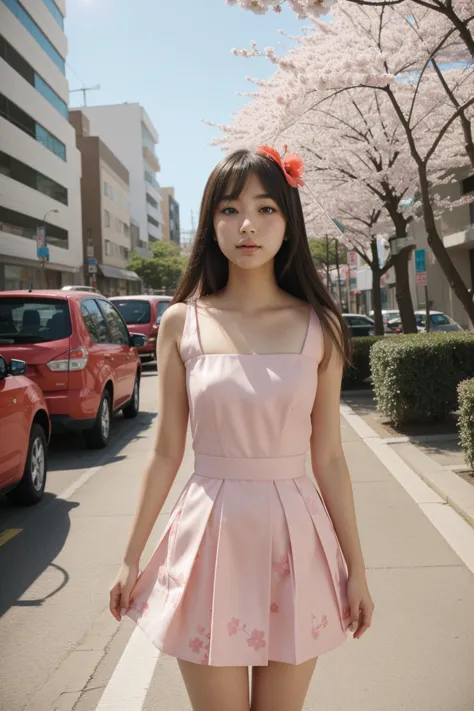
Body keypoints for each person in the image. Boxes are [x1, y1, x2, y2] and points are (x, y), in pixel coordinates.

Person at [109, 146, 374, 711]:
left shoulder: (318, 326)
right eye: (229, 209)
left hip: (296, 539)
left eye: (266, 209)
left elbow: (328, 456)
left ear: (288, 223)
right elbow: (165, 453)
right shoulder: (183, 322)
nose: (247, 224)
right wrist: (131, 555)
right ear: (211, 224)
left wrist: (357, 569)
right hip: (208, 536)